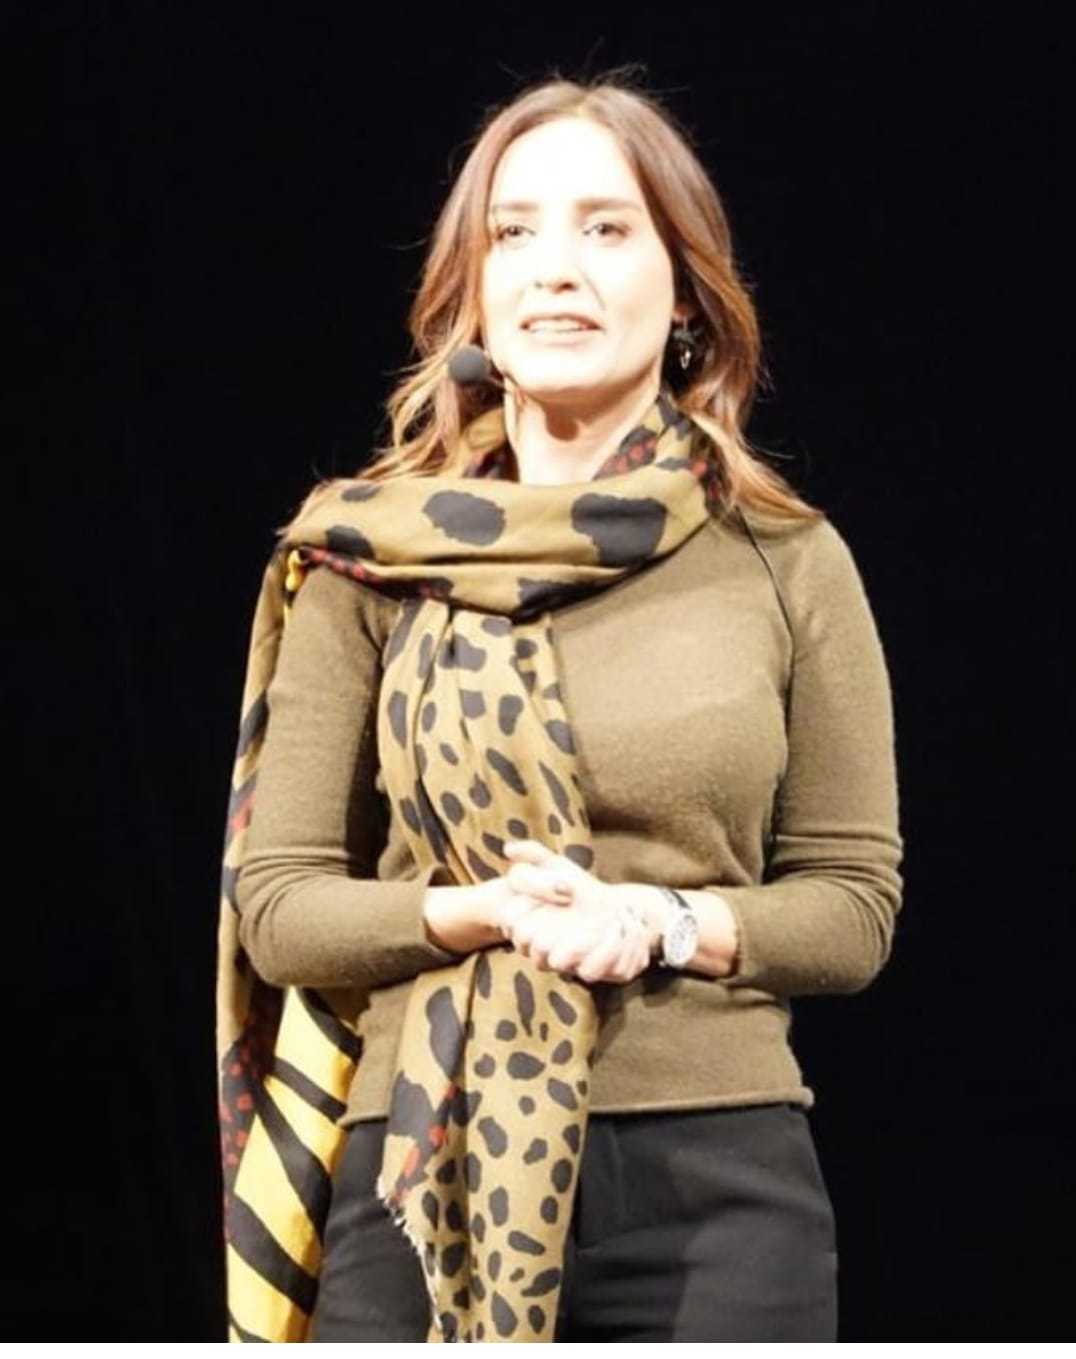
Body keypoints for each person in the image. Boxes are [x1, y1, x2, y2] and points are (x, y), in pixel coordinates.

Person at [216, 71, 903, 1343]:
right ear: (474, 291)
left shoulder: (786, 559)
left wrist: (660, 922)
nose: (555, 270)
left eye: (605, 228)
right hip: (420, 1179)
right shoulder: (369, 560)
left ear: (686, 290)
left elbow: (853, 905)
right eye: (514, 233)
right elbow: (282, 908)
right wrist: (476, 914)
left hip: (716, 1189)